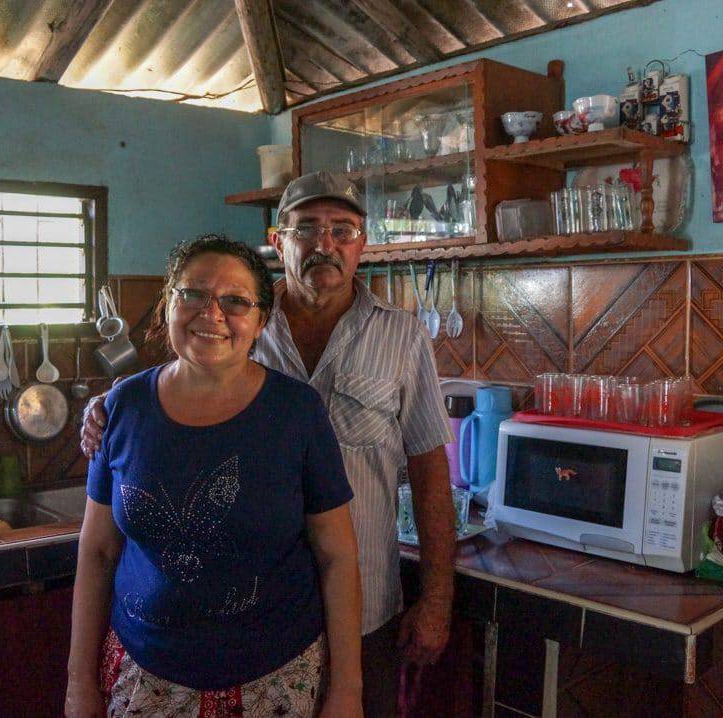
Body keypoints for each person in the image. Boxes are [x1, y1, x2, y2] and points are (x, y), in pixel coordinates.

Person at [82, 172, 456, 717]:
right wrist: (108, 405)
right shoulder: (239, 316)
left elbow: (430, 474)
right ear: (278, 242)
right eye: (306, 229)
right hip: (251, 626)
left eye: (342, 230)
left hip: (366, 609)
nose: (324, 244)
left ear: (362, 244)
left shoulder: (402, 336)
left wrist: (437, 599)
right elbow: (179, 389)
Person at [66, 235, 363, 718]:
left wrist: (347, 692)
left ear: (261, 321)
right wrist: (78, 684)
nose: (213, 313)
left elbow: (338, 557)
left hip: (276, 679)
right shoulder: (121, 408)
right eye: (194, 294)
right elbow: (97, 551)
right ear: (167, 305)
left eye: (235, 301)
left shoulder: (297, 413)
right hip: (144, 676)